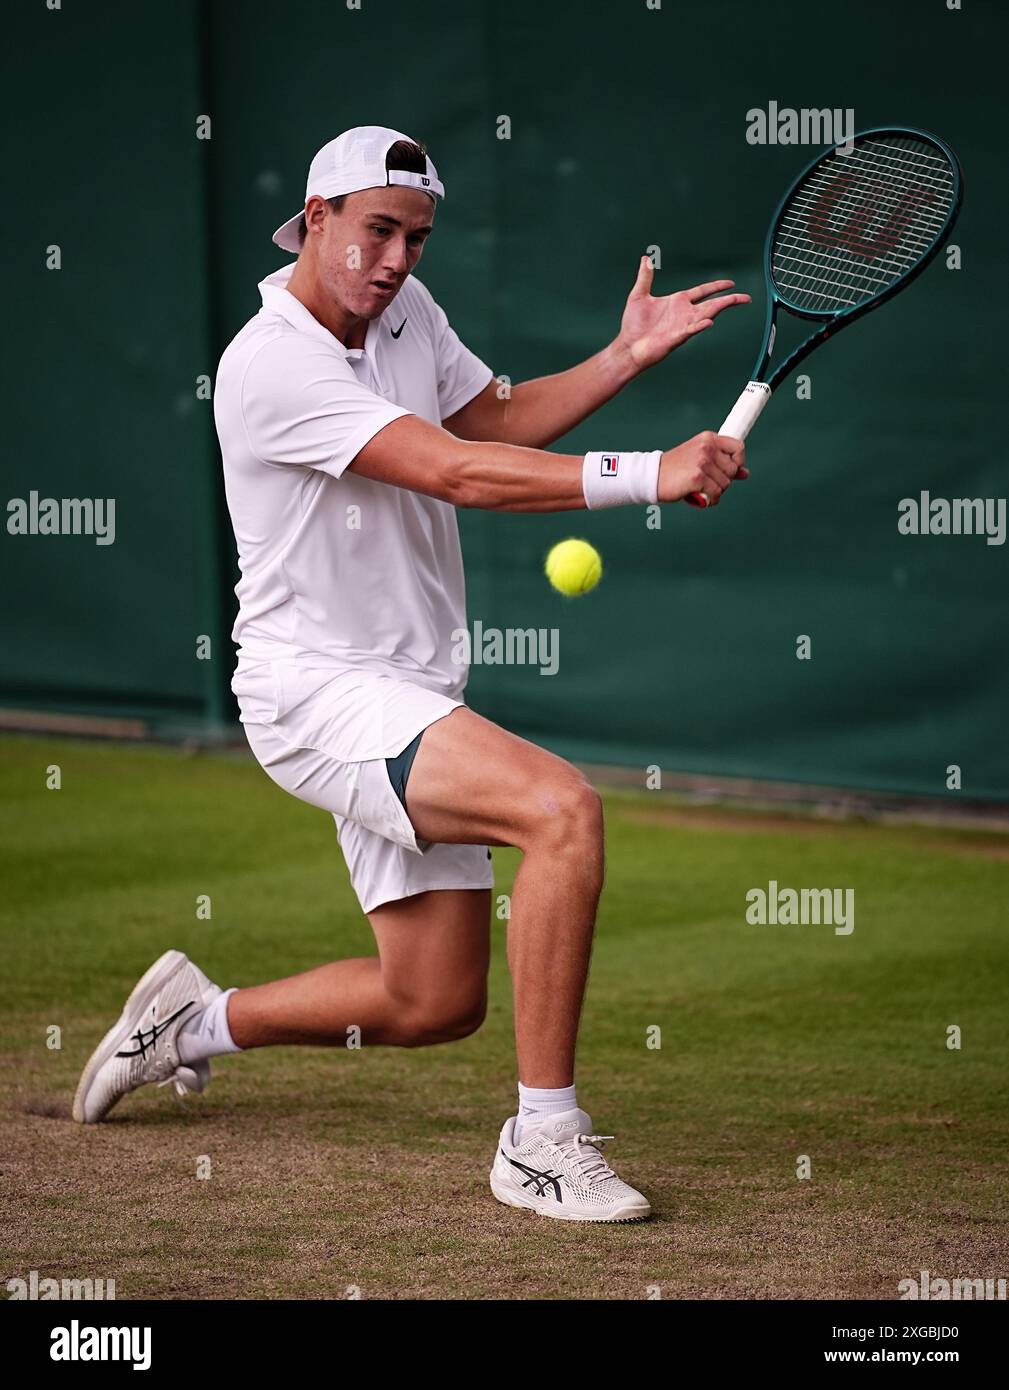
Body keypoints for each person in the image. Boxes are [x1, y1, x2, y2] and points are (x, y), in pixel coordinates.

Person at [73, 125, 748, 1222]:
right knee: (560, 809)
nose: (397, 260)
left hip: (406, 686)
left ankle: (192, 1022)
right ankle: (542, 1141)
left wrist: (622, 359)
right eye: (378, 230)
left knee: (429, 998)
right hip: (314, 689)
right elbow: (456, 472)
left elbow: (487, 420)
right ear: (318, 216)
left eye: (417, 239)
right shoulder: (270, 362)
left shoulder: (404, 315)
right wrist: (650, 474)